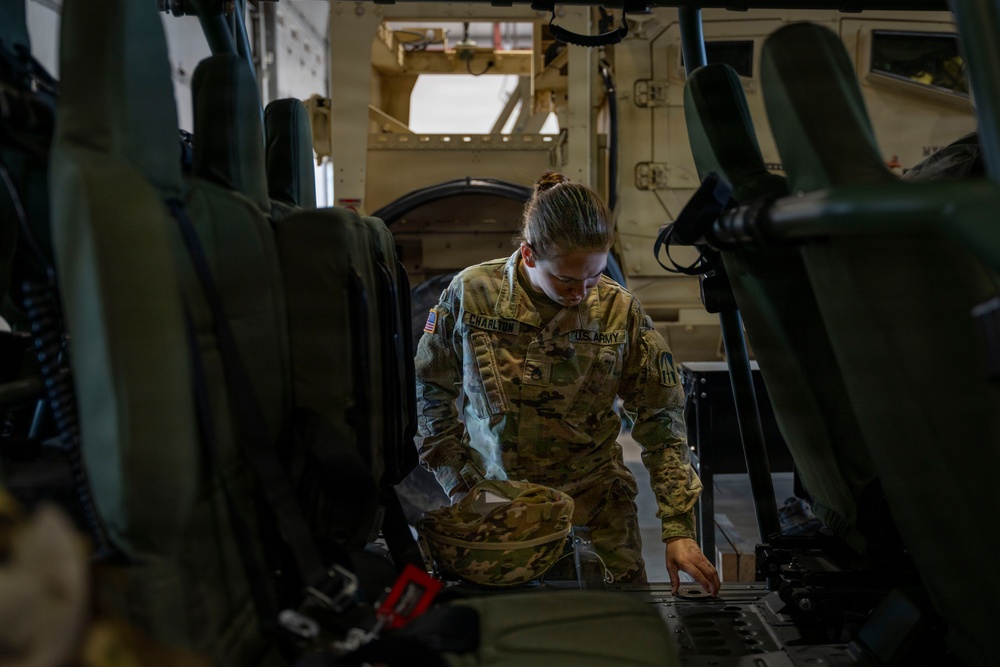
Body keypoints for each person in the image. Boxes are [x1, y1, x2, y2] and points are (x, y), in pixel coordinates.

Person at [414, 171, 720, 594]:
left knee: (620, 638)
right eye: (567, 280)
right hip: (497, 506)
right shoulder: (471, 295)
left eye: (593, 278)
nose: (582, 293)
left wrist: (678, 528)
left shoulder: (619, 312)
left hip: (597, 511)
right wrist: (462, 486)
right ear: (528, 255)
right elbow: (430, 396)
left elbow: (661, 419)